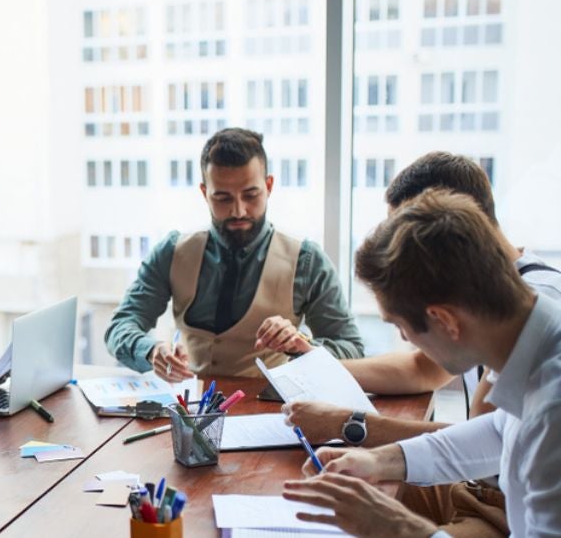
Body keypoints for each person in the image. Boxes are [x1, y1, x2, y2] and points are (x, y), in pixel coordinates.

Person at [283, 190, 561, 537]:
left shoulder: (553, 407)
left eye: (400, 326)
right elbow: (497, 432)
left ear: (445, 320)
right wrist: (378, 460)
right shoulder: (533, 339)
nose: (405, 339)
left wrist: (400, 528)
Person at [287, 152, 561, 447]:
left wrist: (347, 425)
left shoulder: (532, 301)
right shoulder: (488, 295)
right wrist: (315, 365)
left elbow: (486, 444)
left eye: (407, 232)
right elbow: (423, 368)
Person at [105, 128, 364, 381]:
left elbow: (352, 349)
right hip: (189, 411)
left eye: (251, 195)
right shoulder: (171, 252)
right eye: (223, 198)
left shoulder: (307, 262)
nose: (239, 210)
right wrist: (151, 351)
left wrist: (301, 346)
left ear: (269, 186)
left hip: (273, 409)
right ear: (205, 193)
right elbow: (120, 326)